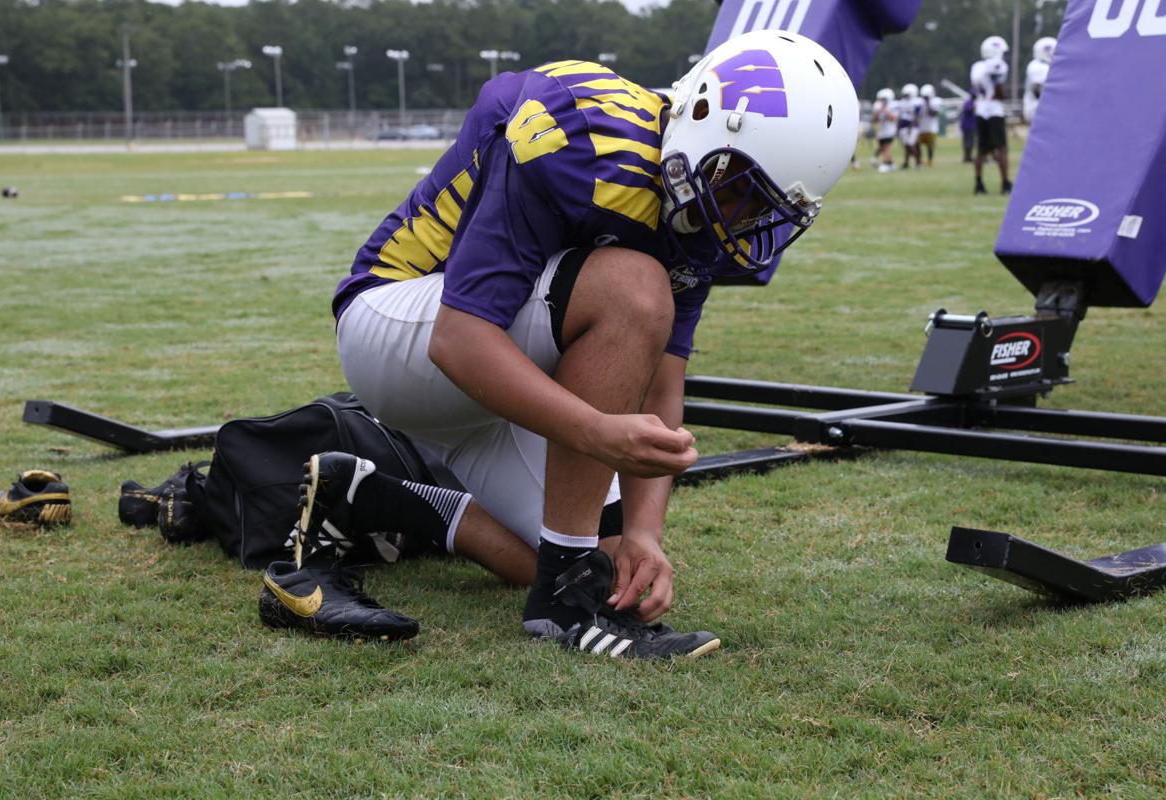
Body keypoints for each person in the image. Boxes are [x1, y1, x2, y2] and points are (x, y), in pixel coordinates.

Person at [261, 29, 860, 659]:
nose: (735, 215)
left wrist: (644, 532)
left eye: (758, 208)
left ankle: (372, 494)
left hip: (499, 380)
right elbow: (461, 338)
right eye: (736, 185)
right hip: (397, 325)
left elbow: (663, 380)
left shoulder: (700, 201)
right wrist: (596, 432)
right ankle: (566, 609)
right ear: (704, 116)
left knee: (598, 566)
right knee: (634, 287)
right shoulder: (580, 133)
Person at [970, 35, 1012, 195]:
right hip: (994, 110)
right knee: (1001, 149)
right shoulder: (997, 65)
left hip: (980, 108)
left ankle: (979, 184)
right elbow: (1000, 92)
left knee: (981, 150)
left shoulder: (976, 67)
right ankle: (1005, 183)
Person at [1023, 36, 1055, 125]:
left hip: (1039, 107)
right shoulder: (1038, 66)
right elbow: (1036, 89)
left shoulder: (1042, 65)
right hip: (1037, 107)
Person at [872, 87, 898, 172]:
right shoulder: (877, 106)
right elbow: (875, 119)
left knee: (886, 147)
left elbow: (892, 119)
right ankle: (891, 163)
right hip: (881, 131)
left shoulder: (893, 106)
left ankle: (885, 164)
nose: (883, 101)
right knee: (883, 148)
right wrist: (879, 111)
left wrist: (886, 111)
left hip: (889, 131)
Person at [897, 83, 922, 169]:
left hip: (912, 127)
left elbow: (916, 116)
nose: (906, 96)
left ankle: (918, 162)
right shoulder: (902, 103)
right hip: (903, 127)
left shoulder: (916, 102)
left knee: (909, 144)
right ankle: (906, 163)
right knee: (906, 145)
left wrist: (911, 127)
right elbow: (900, 116)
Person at [916, 84, 942, 166]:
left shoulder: (936, 101)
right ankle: (920, 160)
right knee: (916, 144)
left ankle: (930, 161)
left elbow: (934, 114)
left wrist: (927, 103)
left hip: (931, 128)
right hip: (921, 128)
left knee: (930, 146)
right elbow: (917, 114)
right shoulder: (919, 102)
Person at [959, 92, 976, 163]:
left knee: (971, 142)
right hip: (967, 125)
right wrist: (975, 106)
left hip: (971, 125)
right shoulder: (969, 102)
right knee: (967, 142)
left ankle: (969, 157)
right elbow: (969, 110)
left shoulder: (973, 102)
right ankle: (966, 157)